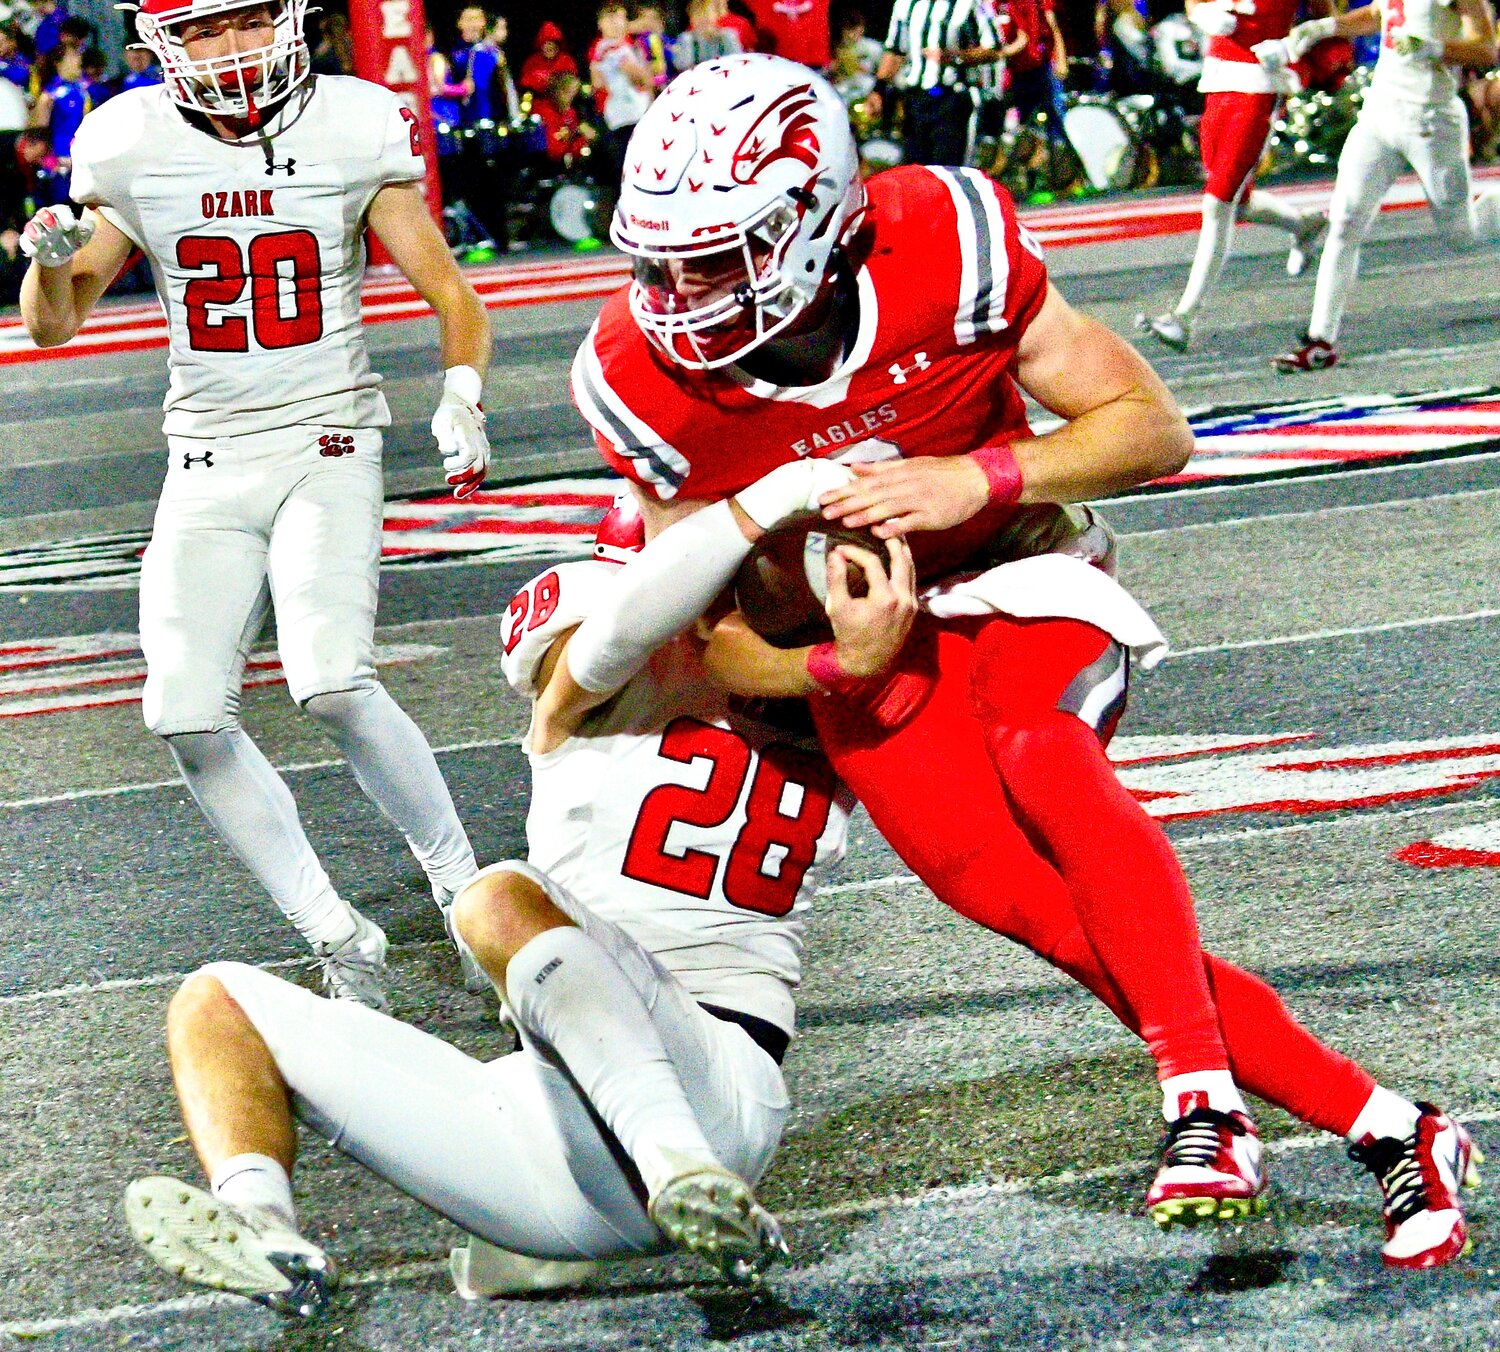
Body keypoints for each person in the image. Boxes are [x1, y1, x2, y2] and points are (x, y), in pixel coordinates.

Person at [566, 53, 1479, 1265]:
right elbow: (707, 645)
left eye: (719, 257)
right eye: (664, 258)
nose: (681, 293)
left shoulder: (942, 237)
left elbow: (1153, 428)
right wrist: (842, 663)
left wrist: (982, 474)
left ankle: (1201, 1094)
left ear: (817, 222)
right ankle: (1396, 1128)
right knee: (1056, 917)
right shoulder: (636, 378)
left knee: (1042, 750)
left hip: (1021, 571)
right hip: (865, 657)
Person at [119, 479, 877, 1315]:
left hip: (712, 1080)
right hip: (561, 1138)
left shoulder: (834, 701)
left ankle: (678, 1169)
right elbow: (611, 638)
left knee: (494, 899)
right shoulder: (658, 680)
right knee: (215, 1002)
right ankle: (266, 1229)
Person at [18, 0, 492, 1011]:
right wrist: (46, 262)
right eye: (202, 30)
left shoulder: (352, 122)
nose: (230, 48)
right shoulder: (131, 143)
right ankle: (339, 932)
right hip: (206, 458)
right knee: (182, 713)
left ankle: (462, 887)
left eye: (244, 21)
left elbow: (451, 290)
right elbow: (54, 326)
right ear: (162, 49)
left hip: (328, 443)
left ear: (288, 19)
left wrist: (462, 391)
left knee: (330, 679)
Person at [1267, 0, 1500, 370]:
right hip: (1379, 114)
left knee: (1462, 235)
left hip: (1431, 119)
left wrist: (1434, 48)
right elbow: (1379, 13)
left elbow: (1487, 49)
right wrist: (1326, 28)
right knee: (1344, 221)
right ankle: (1321, 339)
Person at [1135, 0, 1332, 352]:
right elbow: (1195, 3)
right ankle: (1304, 225)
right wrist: (1202, 15)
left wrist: (1290, 50)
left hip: (1261, 82)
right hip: (1218, 77)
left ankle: (1185, 317)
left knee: (1218, 201)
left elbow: (1327, 25)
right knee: (1233, 199)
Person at [872, 0, 1002, 167]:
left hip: (953, 97)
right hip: (915, 98)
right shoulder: (905, 3)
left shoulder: (971, 3)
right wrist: (878, 89)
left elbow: (994, 49)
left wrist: (955, 57)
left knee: (950, 170)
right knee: (916, 170)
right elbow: (895, 49)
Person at [592, 0, 653, 183]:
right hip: (624, 118)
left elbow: (647, 81)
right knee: (630, 172)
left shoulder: (631, 46)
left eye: (619, 17)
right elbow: (638, 76)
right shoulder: (605, 47)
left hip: (640, 114)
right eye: (610, 18)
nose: (616, 23)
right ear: (600, 24)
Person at [673, 0, 743, 69]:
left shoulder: (727, 35)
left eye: (708, 13)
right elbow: (681, 65)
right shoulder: (687, 38)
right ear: (691, 19)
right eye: (698, 14)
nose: (703, 18)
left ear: (716, 15)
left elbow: (737, 60)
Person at [519, 18, 577, 96]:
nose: (549, 47)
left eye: (552, 43)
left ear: (558, 45)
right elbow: (524, 82)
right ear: (541, 45)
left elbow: (571, 83)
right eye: (546, 43)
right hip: (537, 102)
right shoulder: (532, 61)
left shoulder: (566, 60)